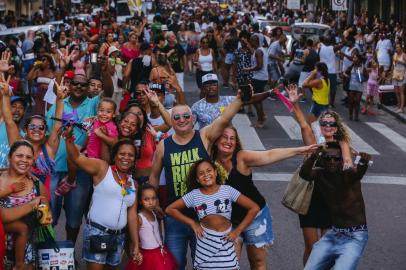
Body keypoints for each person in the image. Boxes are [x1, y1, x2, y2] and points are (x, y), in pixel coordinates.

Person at [149, 93, 243, 269]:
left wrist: (240, 99)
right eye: (176, 117)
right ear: (171, 120)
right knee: (175, 264)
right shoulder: (164, 145)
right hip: (175, 216)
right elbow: (154, 176)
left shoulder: (204, 136)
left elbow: (223, 119)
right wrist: (154, 204)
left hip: (204, 215)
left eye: (186, 116)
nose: (182, 119)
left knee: (204, 264)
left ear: (193, 118)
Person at [212, 126, 319, 269]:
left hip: (256, 217)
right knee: (229, 264)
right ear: (216, 139)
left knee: (257, 261)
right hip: (229, 221)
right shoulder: (208, 161)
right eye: (224, 137)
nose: (228, 141)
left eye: (232, 138)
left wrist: (300, 150)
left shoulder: (241, 157)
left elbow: (269, 155)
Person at [287, 85, 354, 265]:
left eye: (331, 124)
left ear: (336, 127)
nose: (327, 126)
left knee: (325, 246)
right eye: (324, 123)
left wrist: (348, 167)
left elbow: (347, 161)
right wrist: (295, 104)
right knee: (312, 246)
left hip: (332, 199)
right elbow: (303, 124)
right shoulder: (314, 143)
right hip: (311, 198)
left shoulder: (342, 143)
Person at [46, 73, 113, 246]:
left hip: (80, 171)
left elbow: (109, 90)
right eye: (75, 83)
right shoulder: (58, 105)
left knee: (74, 217)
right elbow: (48, 133)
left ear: (88, 87)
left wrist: (105, 68)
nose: (79, 87)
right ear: (70, 84)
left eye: (84, 85)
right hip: (54, 169)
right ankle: (49, 252)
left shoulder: (93, 105)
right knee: (48, 216)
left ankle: (69, 252)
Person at [165, 159, 260, 270]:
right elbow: (170, 209)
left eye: (209, 170)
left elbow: (254, 208)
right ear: (197, 179)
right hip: (205, 244)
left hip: (226, 242)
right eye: (201, 173)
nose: (206, 174)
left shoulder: (227, 190)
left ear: (215, 172)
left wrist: (238, 231)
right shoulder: (194, 195)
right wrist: (192, 223)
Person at [65, 135, 140, 269]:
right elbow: (76, 158)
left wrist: (135, 244)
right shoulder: (103, 169)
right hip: (97, 233)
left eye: (130, 155)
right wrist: (69, 138)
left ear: (134, 159)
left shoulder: (133, 184)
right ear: (115, 155)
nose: (126, 158)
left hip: (119, 236)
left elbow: (132, 215)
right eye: (122, 154)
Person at [300, 142, 371, 270]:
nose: (332, 161)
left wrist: (363, 163)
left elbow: (357, 174)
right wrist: (313, 157)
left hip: (354, 236)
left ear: (342, 160)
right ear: (322, 159)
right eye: (328, 158)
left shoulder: (347, 174)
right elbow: (304, 174)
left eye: (336, 158)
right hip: (334, 233)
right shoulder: (320, 174)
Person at [0, 140, 51, 269]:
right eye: (19, 155)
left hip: (26, 255)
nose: (24, 160)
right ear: (10, 157)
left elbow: (47, 216)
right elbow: (3, 216)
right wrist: (31, 205)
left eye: (28, 157)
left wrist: (46, 215)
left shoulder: (37, 185)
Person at [55, 98, 119, 196]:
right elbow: (90, 138)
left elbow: (115, 143)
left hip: (98, 159)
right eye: (101, 110)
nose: (104, 114)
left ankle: (70, 181)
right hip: (89, 152)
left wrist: (101, 135)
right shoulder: (97, 121)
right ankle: (71, 179)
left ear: (114, 114)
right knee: (72, 153)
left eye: (108, 112)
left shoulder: (110, 126)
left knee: (72, 158)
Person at [125, 184, 177, 270]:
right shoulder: (139, 218)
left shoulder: (155, 214)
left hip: (159, 251)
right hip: (147, 255)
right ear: (140, 201)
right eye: (146, 199)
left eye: (153, 198)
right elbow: (133, 237)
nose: (151, 202)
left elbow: (158, 233)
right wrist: (134, 252)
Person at [244, 35, 268, 128]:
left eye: (251, 42)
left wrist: (248, 69)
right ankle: (262, 116)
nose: (250, 43)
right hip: (260, 77)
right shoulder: (260, 50)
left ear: (254, 41)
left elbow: (259, 66)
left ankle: (260, 121)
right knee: (257, 99)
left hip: (259, 78)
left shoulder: (258, 51)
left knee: (256, 99)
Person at [344, 53, 365, 121]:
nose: (353, 59)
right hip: (352, 86)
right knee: (351, 101)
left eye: (355, 58)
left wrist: (362, 79)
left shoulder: (362, 67)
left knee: (357, 101)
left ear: (359, 60)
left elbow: (367, 77)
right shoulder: (351, 67)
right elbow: (345, 73)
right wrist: (347, 76)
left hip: (359, 87)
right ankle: (350, 115)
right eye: (353, 58)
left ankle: (356, 116)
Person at [392, 43, 406, 113]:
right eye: (396, 47)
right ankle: (398, 105)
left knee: (401, 91)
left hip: (402, 74)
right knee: (396, 91)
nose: (396, 48)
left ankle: (402, 108)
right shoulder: (394, 54)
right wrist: (391, 73)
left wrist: (400, 61)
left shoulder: (404, 55)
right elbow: (393, 64)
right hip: (395, 73)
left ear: (401, 48)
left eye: (398, 47)